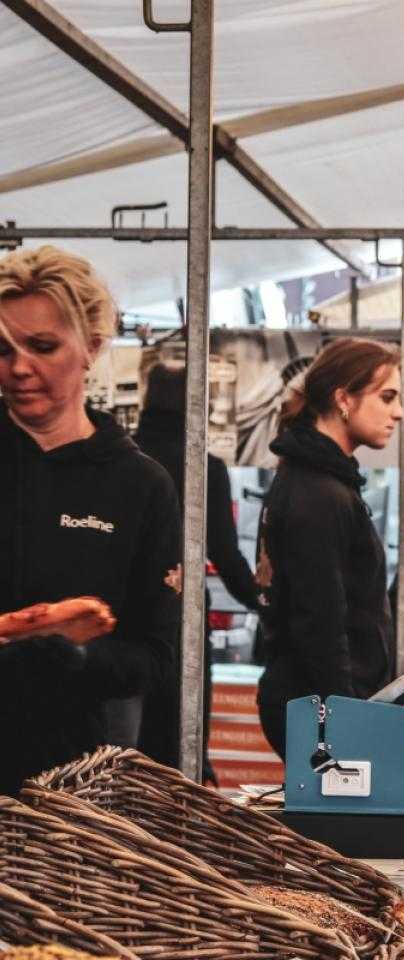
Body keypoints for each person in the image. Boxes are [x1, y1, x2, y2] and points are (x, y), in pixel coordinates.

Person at [0, 246, 180, 795]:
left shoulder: (139, 485)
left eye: (43, 346)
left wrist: (74, 653)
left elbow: (155, 657)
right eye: (3, 349)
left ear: (92, 348)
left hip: (74, 792)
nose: (19, 367)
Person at [254, 337, 403, 758]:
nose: (398, 412)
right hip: (320, 712)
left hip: (321, 704)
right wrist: (346, 721)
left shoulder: (319, 482)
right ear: (343, 399)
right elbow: (319, 622)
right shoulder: (318, 493)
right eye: (386, 396)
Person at [133, 361, 260, 778]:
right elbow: (225, 555)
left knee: (123, 751)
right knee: (178, 750)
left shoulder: (121, 457)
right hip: (181, 623)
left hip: (120, 623)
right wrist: (264, 602)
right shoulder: (205, 467)